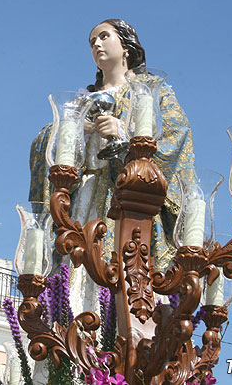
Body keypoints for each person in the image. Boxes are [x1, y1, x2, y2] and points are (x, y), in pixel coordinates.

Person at [29, 18, 195, 317]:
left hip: (127, 200)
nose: (96, 44)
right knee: (77, 273)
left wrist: (125, 131)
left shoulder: (151, 92)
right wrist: (78, 129)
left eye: (104, 36)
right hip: (84, 202)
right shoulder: (80, 102)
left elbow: (176, 134)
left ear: (126, 45)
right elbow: (44, 139)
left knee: (126, 271)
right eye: (92, 41)